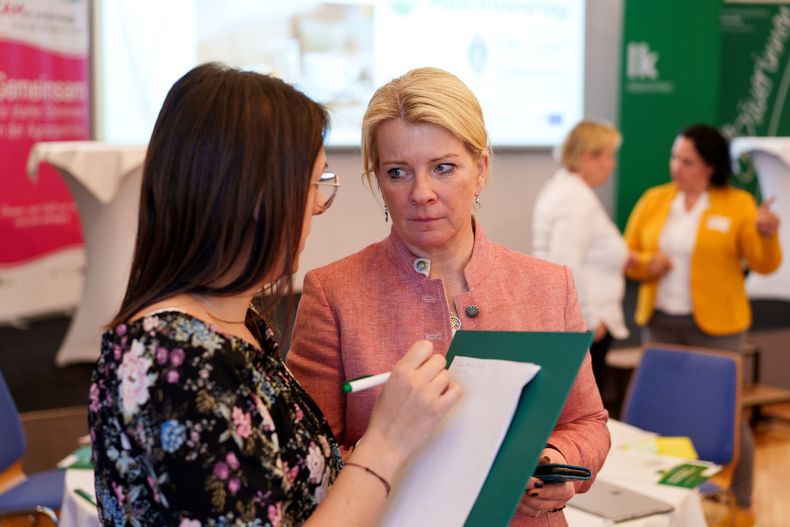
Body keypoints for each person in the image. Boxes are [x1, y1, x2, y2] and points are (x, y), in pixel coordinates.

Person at [87, 63, 462, 526]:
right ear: (253, 196)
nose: (316, 208)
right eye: (312, 185)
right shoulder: (180, 363)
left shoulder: (234, 324)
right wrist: (386, 441)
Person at [286, 67, 610, 526]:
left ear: (480, 170)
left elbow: (587, 422)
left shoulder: (547, 285)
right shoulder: (334, 293)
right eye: (397, 172)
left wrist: (556, 463)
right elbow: (310, 457)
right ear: (377, 180)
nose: (421, 194)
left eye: (443, 168)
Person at [624, 124, 781, 526]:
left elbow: (764, 264)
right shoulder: (654, 199)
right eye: (674, 157)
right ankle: (661, 499)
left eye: (687, 161)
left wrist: (767, 235)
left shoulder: (738, 204)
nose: (676, 166)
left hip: (718, 327)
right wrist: (647, 264)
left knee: (725, 415)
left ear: (710, 166)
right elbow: (629, 254)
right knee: (661, 411)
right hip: (661, 323)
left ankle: (740, 502)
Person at [532, 120, 632, 399]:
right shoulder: (575, 198)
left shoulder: (562, 188)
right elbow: (566, 261)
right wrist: (588, 319)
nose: (613, 164)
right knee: (583, 408)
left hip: (572, 319)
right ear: (588, 157)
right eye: (609, 156)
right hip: (584, 324)